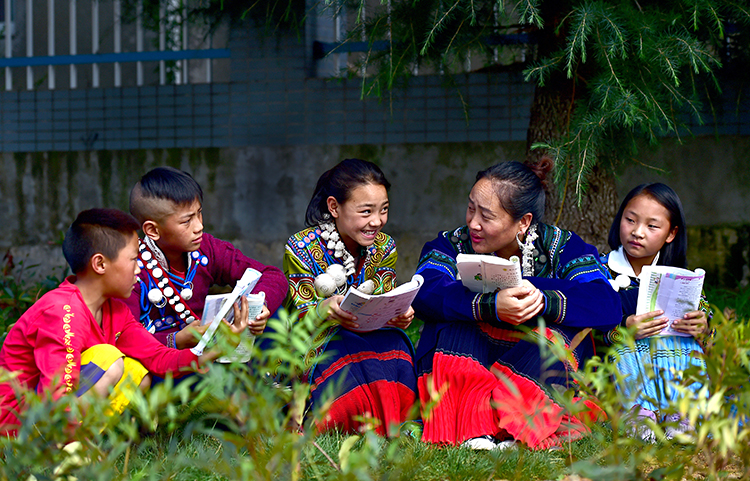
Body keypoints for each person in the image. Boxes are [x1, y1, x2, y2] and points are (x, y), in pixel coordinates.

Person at [413, 160, 621, 450]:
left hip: (530, 357)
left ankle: (516, 426)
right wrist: (489, 306)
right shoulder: (453, 244)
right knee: (451, 326)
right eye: (471, 208)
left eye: (486, 215)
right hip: (474, 349)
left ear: (523, 222)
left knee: (558, 338)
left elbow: (607, 303)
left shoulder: (561, 247)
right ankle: (472, 424)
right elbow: (424, 292)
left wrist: (542, 298)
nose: (473, 223)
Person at [0, 209, 245, 436]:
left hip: (51, 410)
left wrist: (215, 348)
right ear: (100, 264)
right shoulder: (64, 311)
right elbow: (54, 395)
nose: (139, 269)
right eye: (133, 259)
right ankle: (67, 446)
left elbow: (160, 358)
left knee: (138, 372)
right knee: (109, 360)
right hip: (17, 427)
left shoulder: (115, 311)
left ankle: (99, 441)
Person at [283, 158, 417, 437]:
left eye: (384, 210)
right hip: (315, 343)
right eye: (366, 211)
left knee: (395, 342)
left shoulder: (385, 246)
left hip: (368, 333)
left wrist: (399, 314)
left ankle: (401, 424)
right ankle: (339, 421)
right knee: (345, 344)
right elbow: (298, 320)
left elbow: (383, 299)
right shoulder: (299, 248)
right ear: (334, 207)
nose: (377, 221)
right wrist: (324, 309)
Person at [125, 167, 288, 350]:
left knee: (273, 316)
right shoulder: (131, 268)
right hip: (164, 361)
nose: (199, 226)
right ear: (153, 230)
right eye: (187, 221)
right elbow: (124, 337)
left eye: (199, 213)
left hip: (209, 348)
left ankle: (266, 378)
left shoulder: (206, 248)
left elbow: (272, 275)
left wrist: (258, 308)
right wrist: (175, 340)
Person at [601, 183, 709, 440]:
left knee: (687, 346)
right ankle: (638, 414)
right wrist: (624, 329)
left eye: (652, 226)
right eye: (630, 220)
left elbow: (706, 325)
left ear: (671, 234)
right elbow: (587, 329)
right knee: (627, 347)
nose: (637, 232)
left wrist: (701, 326)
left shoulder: (679, 278)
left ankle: (683, 414)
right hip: (623, 362)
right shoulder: (598, 271)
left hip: (671, 359)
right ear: (620, 220)